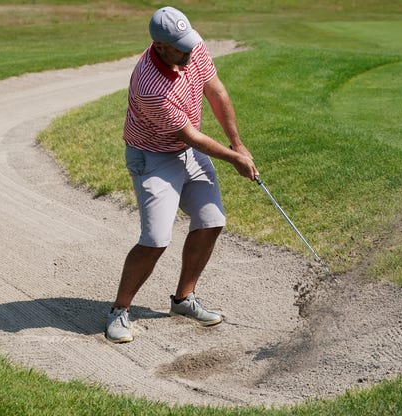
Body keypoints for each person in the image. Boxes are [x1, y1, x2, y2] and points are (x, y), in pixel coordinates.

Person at [105, 6, 258, 343]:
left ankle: (183, 300)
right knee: (157, 238)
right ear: (159, 46)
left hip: (189, 151)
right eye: (180, 48)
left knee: (211, 220)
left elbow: (216, 91)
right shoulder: (150, 85)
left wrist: (238, 143)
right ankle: (119, 310)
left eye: (189, 44)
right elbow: (190, 136)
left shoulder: (191, 45)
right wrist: (234, 159)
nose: (190, 51)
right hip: (153, 157)